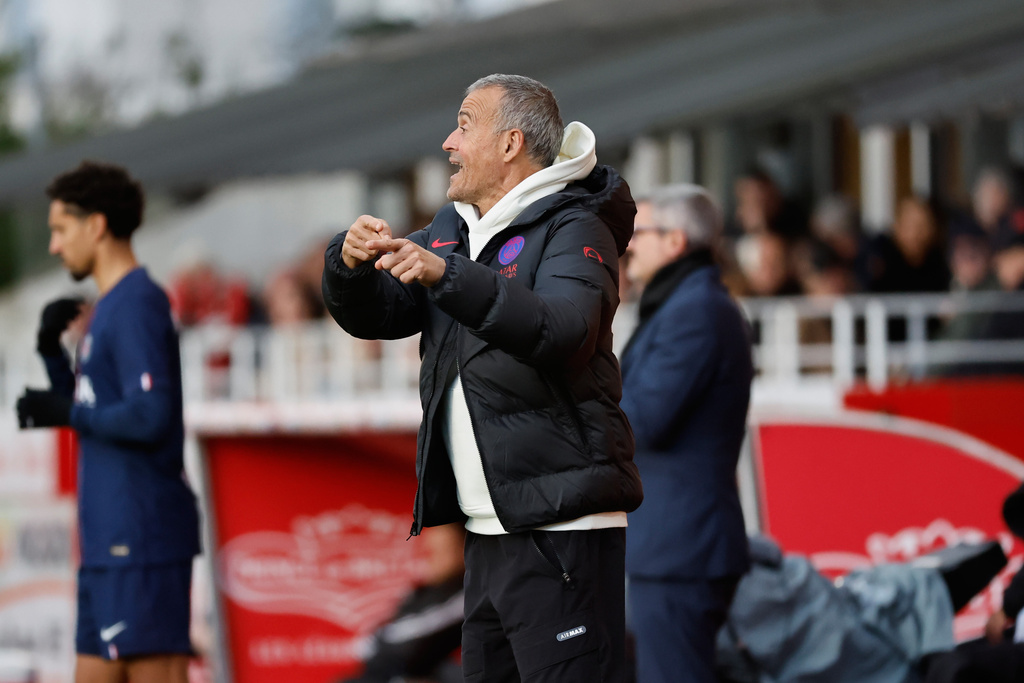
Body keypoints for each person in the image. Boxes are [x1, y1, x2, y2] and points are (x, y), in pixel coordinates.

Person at [322, 73, 643, 682]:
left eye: (465, 123)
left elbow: (564, 332)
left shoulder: (577, 223)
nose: (448, 140)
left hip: (561, 531)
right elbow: (379, 314)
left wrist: (448, 276)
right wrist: (348, 264)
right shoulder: (456, 226)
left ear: (510, 143)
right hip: (488, 532)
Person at [16, 161, 200, 683]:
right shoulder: (110, 307)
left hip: (140, 540)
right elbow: (98, 409)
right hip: (106, 544)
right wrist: (53, 355)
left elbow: (150, 414)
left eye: (59, 229)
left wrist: (67, 412)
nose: (54, 246)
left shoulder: (138, 301)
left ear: (95, 226)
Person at [619, 184, 752, 683]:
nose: (628, 244)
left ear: (675, 241)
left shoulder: (696, 310)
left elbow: (644, 418)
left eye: (641, 232)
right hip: (674, 546)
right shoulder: (683, 304)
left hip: (682, 549)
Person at [340, 523, 467, 683]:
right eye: (428, 551)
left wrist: (382, 642)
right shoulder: (420, 592)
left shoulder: (470, 594)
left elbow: (414, 637)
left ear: (465, 550)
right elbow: (372, 638)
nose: (431, 558)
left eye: (443, 551)